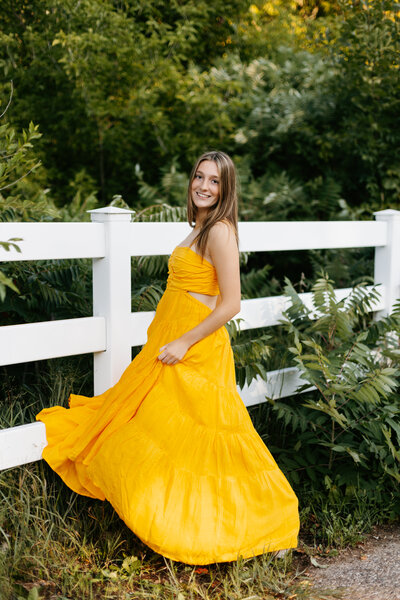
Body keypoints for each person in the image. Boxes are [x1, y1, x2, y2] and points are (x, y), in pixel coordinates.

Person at [36, 150, 299, 565]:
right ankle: (171, 517)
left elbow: (231, 304)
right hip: (172, 340)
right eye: (199, 177)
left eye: (215, 181)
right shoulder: (199, 227)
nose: (204, 186)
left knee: (201, 442)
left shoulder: (220, 232)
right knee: (163, 436)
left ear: (226, 188)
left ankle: (254, 521)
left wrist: (183, 342)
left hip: (195, 348)